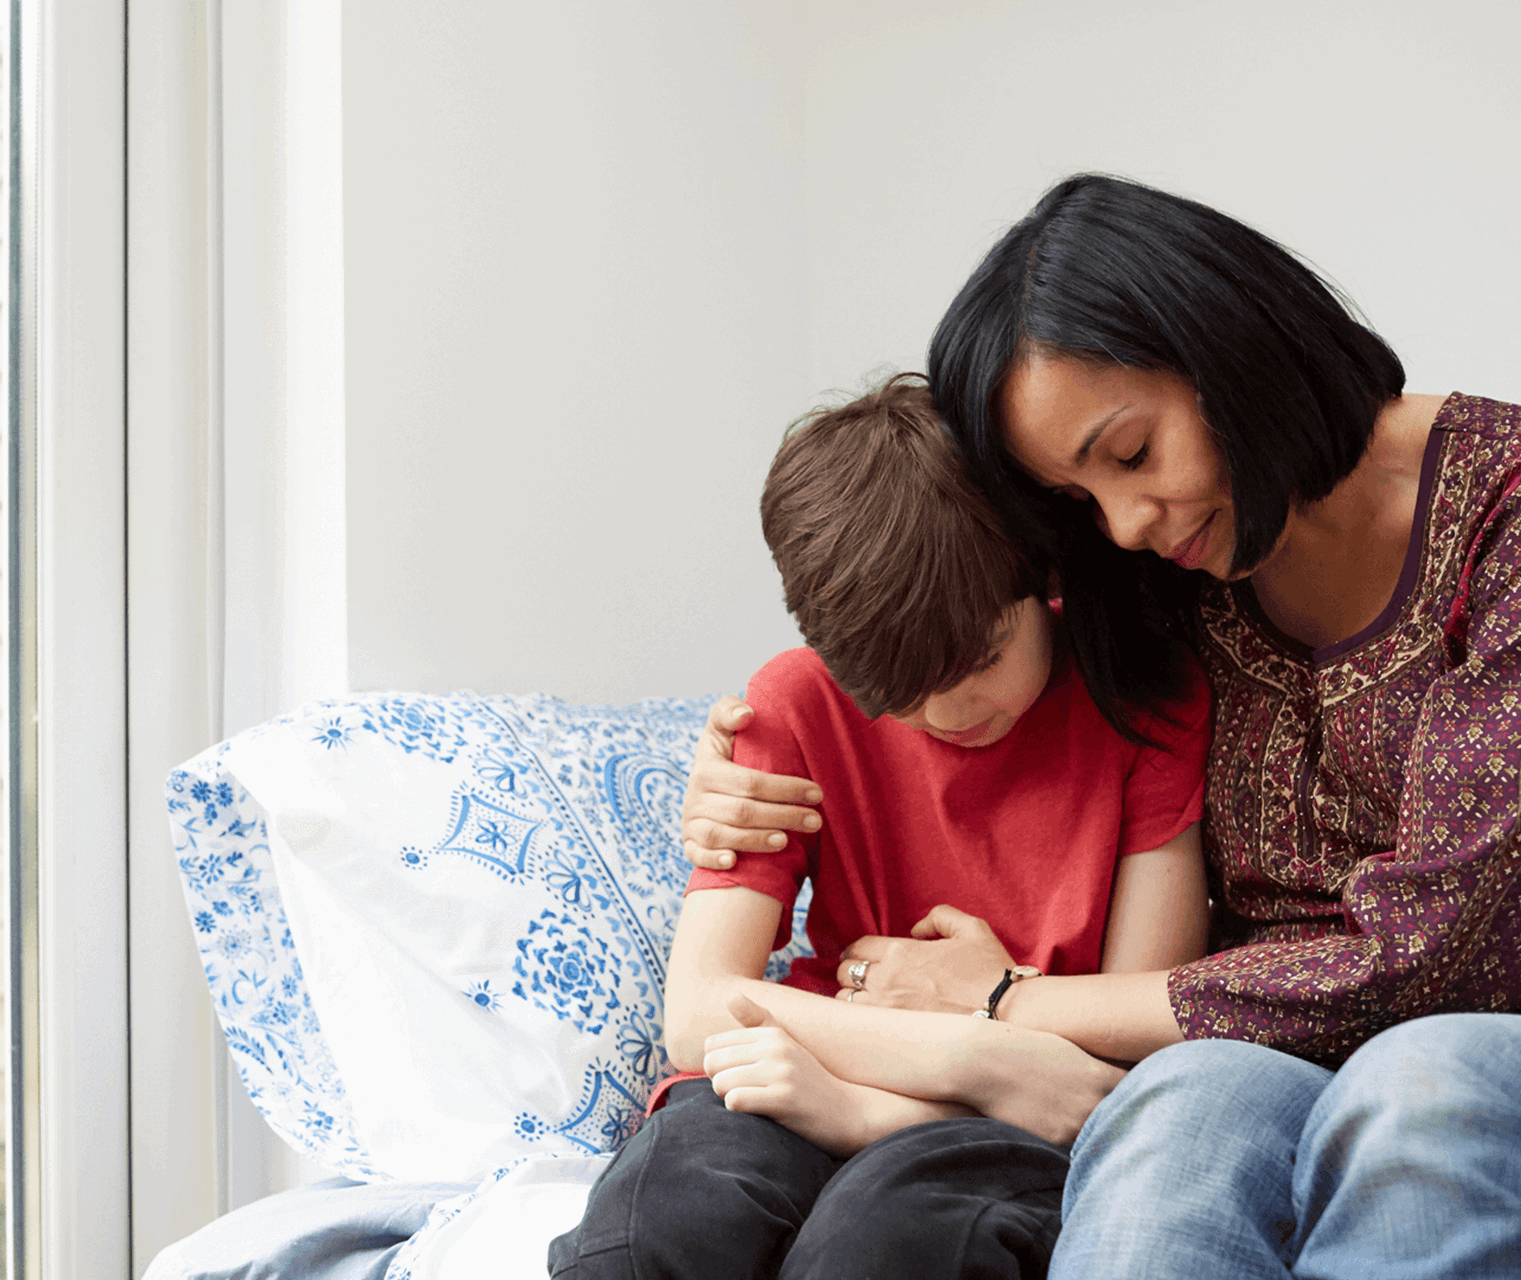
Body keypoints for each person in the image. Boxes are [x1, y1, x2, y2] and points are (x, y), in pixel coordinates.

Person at [681, 174, 1521, 1278]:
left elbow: (1435, 958)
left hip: (1473, 1025)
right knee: (1167, 1139)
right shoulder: (1155, 568)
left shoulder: (1498, 512)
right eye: (1078, 500)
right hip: (1231, 1043)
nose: (1125, 521)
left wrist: (1003, 1002)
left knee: (1421, 1093)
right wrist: (733, 763)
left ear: (1228, 346)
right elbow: (930, 616)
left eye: (1130, 455)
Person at [549, 373, 1212, 1280]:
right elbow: (699, 1011)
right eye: (897, 695)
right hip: (825, 1069)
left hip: (1002, 1126)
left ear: (1037, 571)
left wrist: (876, 1111)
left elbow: (1126, 1061)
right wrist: (973, 1055)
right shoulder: (794, 701)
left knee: (889, 1244)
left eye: (978, 659)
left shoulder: (1148, 702)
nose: (946, 711)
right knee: (659, 1224)